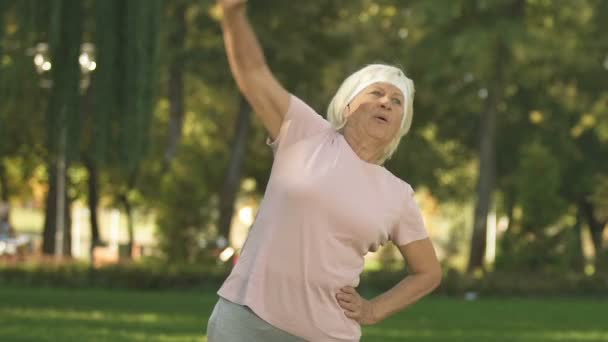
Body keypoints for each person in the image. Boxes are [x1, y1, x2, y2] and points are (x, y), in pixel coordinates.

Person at [207, 1, 442, 341]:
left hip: (326, 333)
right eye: (376, 92)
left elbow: (428, 272)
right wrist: (233, 15)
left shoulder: (398, 195)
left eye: (396, 101)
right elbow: (254, 74)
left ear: (399, 126)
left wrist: (373, 310)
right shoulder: (304, 133)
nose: (386, 102)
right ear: (347, 106)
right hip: (246, 320)